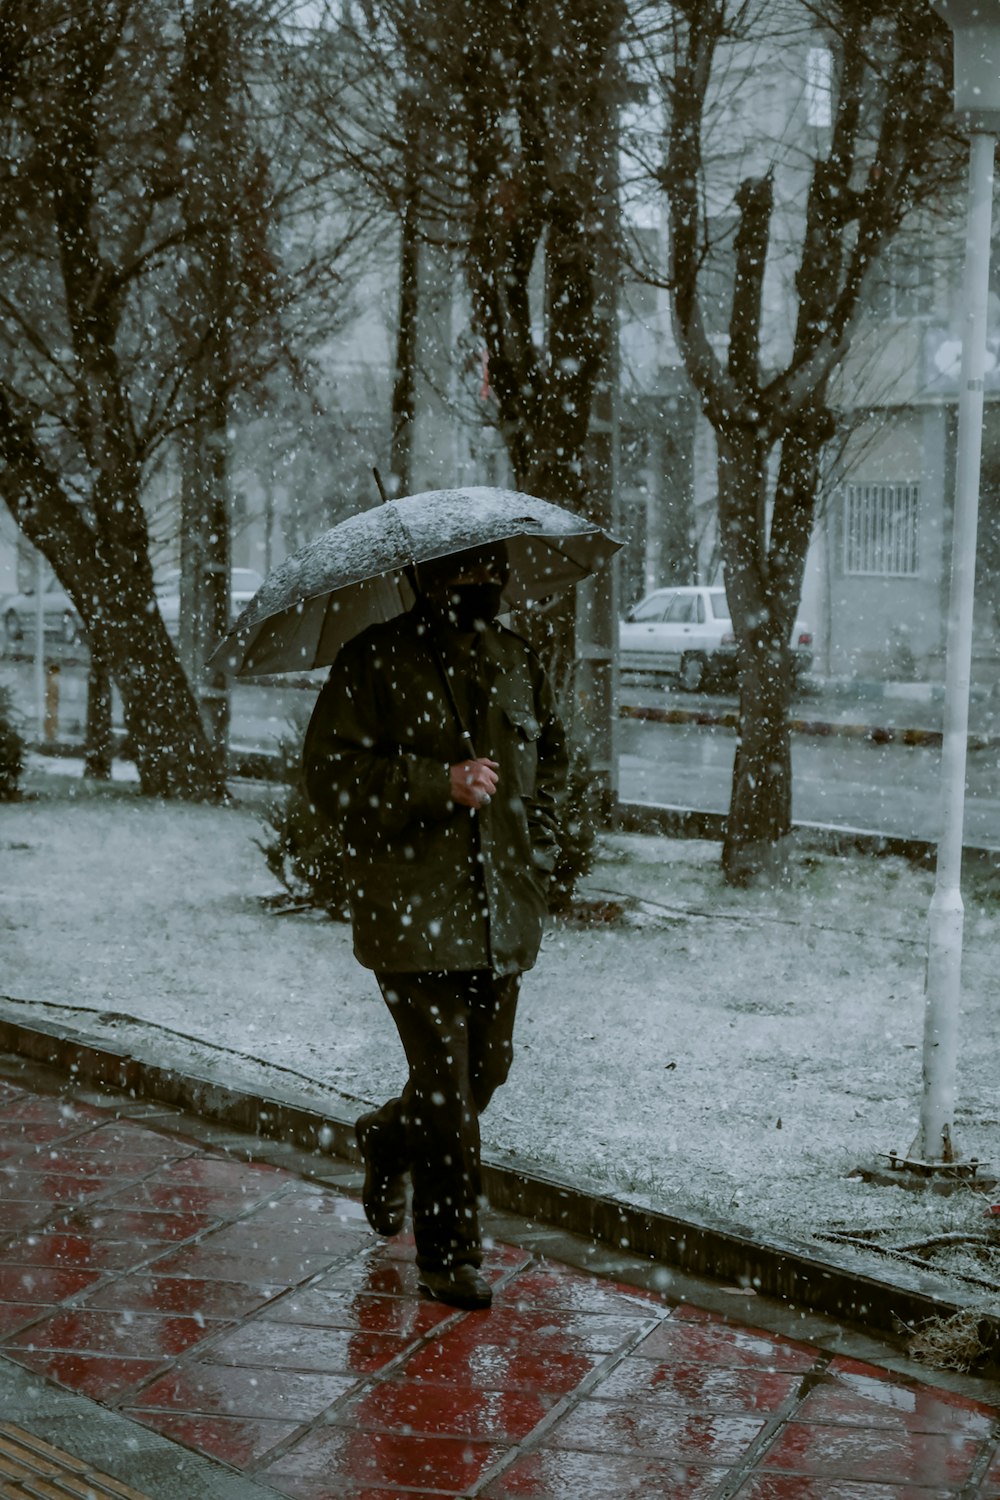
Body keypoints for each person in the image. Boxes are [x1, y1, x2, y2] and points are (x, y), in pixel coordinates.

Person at [303, 540, 568, 1309]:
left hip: (499, 914)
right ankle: (448, 1255)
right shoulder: (374, 661)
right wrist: (435, 783)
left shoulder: (518, 658)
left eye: (493, 570)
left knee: (485, 1073)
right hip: (410, 914)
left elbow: (551, 764)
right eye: (463, 571)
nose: (482, 583)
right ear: (425, 577)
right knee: (447, 1089)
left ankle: (388, 1139)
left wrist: (536, 853)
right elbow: (332, 778)